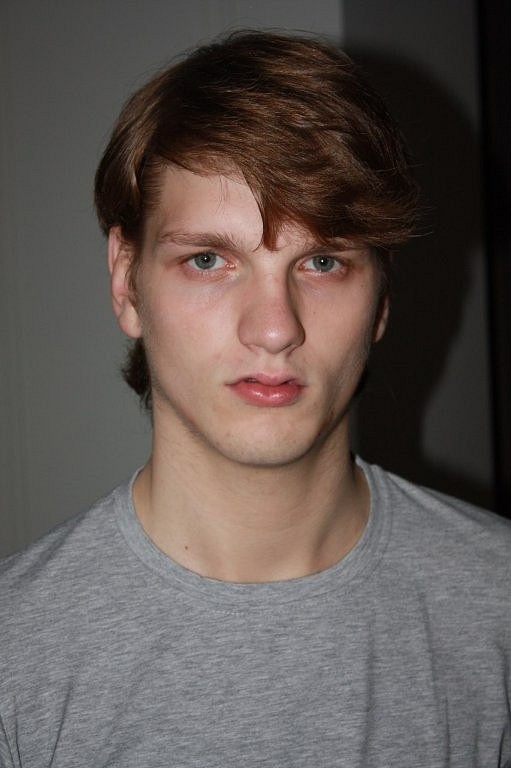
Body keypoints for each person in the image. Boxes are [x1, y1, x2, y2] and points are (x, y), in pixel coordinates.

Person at [0, 30, 509, 768]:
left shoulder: (497, 607)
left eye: (323, 261)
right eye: (208, 260)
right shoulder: (16, 653)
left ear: (381, 297)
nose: (274, 328)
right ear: (125, 281)